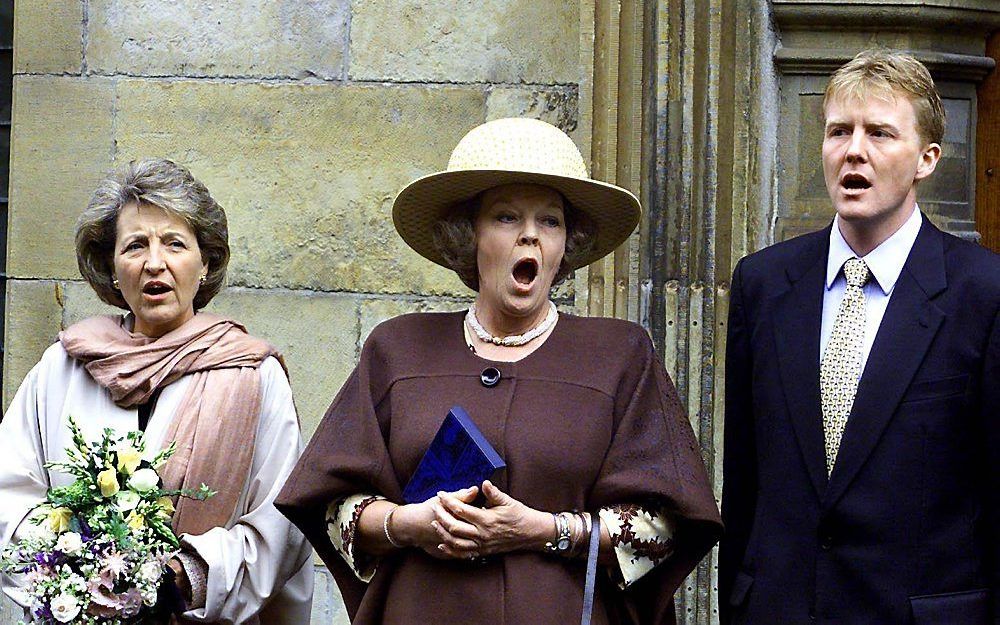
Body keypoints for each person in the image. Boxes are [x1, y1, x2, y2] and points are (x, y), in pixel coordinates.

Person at [275, 117, 722, 624]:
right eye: (507, 218)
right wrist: (408, 523)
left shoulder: (619, 355)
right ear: (470, 237)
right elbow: (331, 505)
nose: (530, 236)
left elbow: (666, 524)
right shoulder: (397, 349)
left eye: (550, 221)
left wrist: (544, 529)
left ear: (565, 246)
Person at [720, 49, 1000, 624]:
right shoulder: (763, 284)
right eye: (838, 131)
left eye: (880, 133)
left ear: (926, 158)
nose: (853, 150)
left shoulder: (984, 293)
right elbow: (745, 481)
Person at [0, 158, 313, 624]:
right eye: (135, 246)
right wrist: (74, 576)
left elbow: (283, 525)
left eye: (174, 244)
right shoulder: (61, 368)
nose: (154, 263)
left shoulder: (254, 373)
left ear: (204, 263)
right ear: (110, 265)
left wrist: (180, 579)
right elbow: (10, 492)